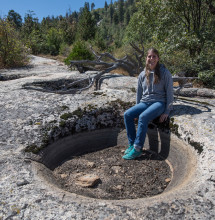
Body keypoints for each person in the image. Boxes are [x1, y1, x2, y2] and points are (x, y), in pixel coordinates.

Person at [123, 48, 174, 160]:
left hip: (159, 103)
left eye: (154, 56)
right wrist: (137, 108)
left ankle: (137, 148)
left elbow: (170, 93)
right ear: (146, 58)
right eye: (149, 56)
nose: (151, 59)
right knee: (127, 115)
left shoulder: (165, 73)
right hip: (145, 102)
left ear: (158, 58)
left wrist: (167, 111)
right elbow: (139, 93)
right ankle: (132, 144)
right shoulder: (142, 74)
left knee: (143, 117)